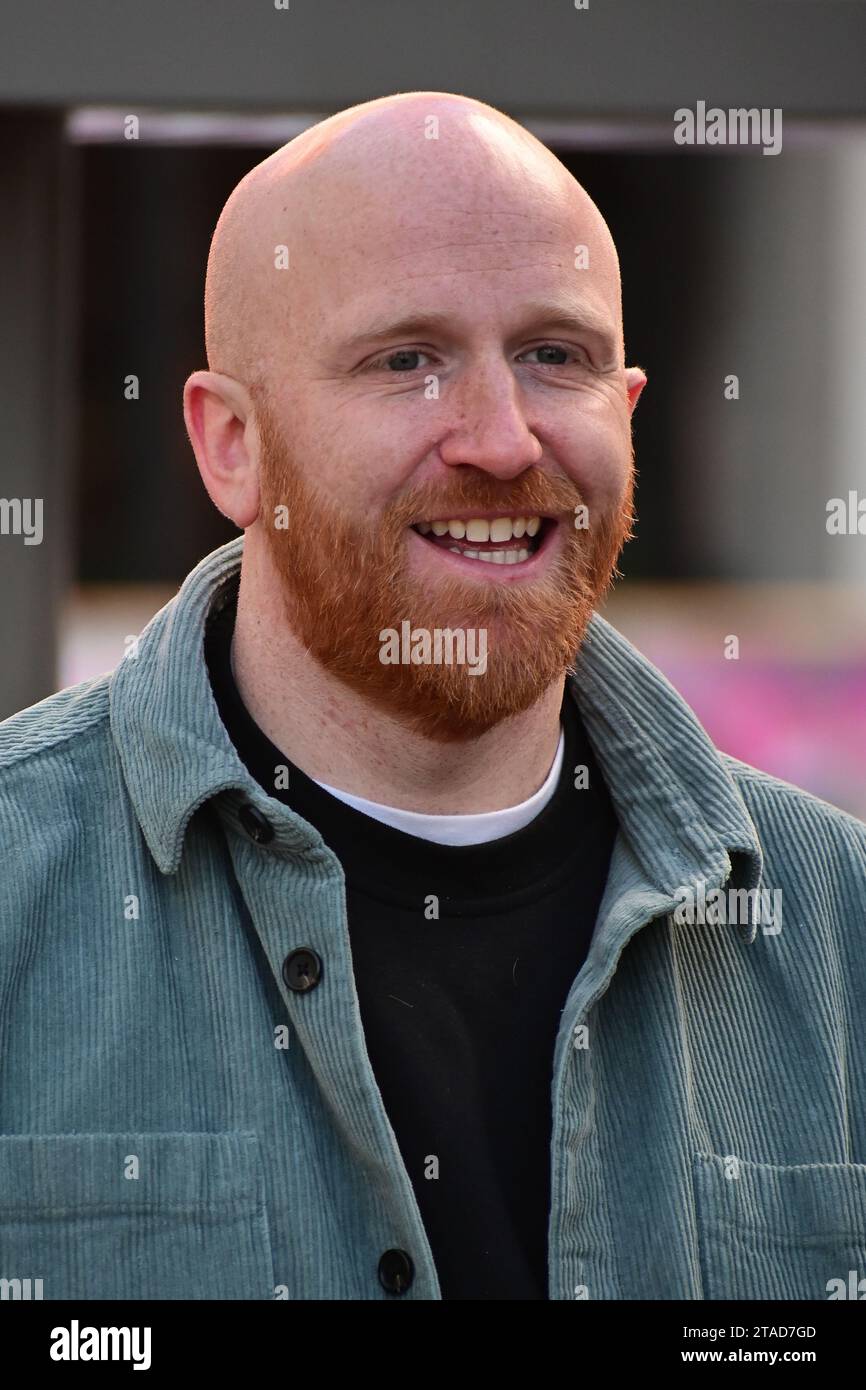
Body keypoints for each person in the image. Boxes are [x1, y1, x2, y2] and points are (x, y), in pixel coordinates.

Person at [1, 90, 864, 1303]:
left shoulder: (837, 927)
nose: (501, 440)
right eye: (405, 360)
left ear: (623, 411)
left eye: (553, 357)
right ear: (229, 446)